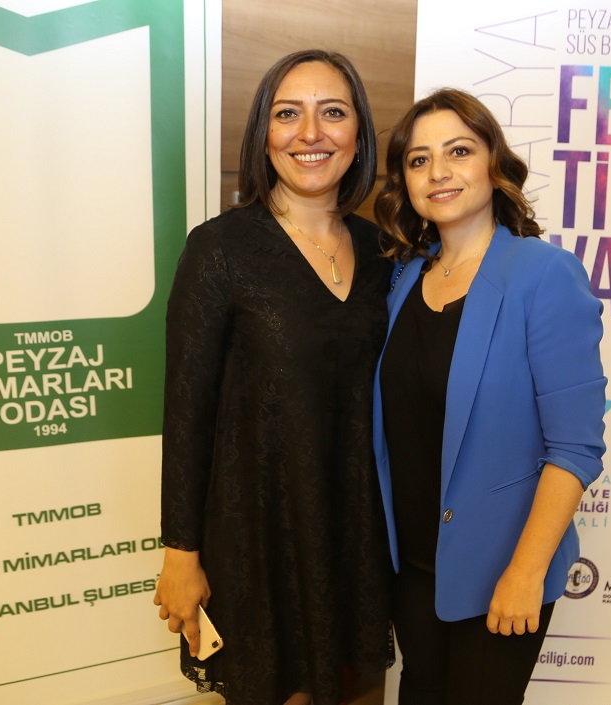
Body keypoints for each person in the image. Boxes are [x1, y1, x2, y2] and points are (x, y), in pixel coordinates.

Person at [153, 49, 394, 705]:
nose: (310, 133)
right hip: (259, 540)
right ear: (263, 134)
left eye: (332, 113)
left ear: (359, 135)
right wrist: (180, 553)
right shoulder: (219, 248)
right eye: (288, 114)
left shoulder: (384, 254)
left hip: (356, 536)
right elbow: (186, 413)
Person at [372, 88, 607, 704]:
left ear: (493, 165)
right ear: (404, 182)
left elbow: (575, 449)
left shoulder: (543, 274)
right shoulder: (403, 277)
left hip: (502, 568)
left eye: (459, 151)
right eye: (419, 160)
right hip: (412, 568)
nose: (438, 172)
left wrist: (526, 573)